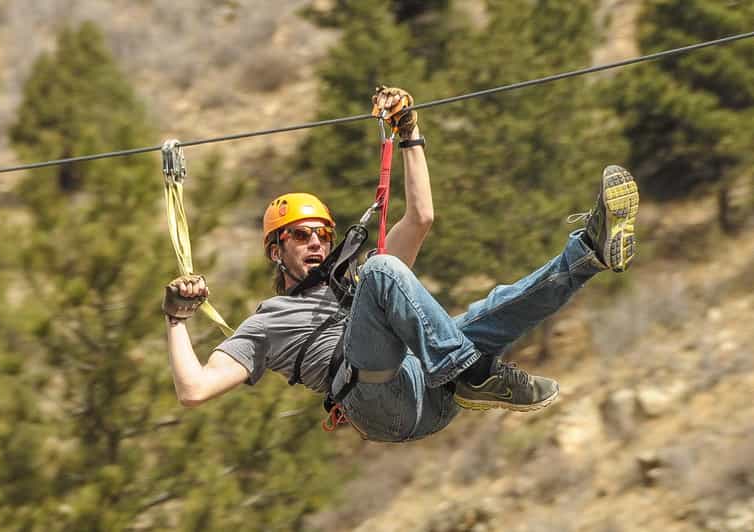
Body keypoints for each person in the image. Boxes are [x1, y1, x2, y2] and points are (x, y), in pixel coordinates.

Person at [163, 86, 639, 442]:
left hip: (430, 393)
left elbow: (423, 217)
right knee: (381, 267)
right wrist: (177, 318)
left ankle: (589, 253)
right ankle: (473, 374)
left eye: (323, 234)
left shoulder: (362, 290)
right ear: (275, 249)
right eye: (301, 235)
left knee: (487, 308)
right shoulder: (267, 322)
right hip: (376, 404)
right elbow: (194, 390)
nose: (316, 243)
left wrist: (410, 133)